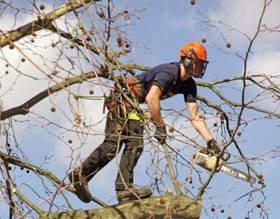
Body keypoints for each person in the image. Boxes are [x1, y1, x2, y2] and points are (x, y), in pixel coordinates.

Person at [68, 41, 221, 203]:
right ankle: (81, 175)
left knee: (135, 143)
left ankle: (123, 189)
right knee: (114, 144)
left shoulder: (189, 85)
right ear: (189, 60)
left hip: (133, 106)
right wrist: (160, 126)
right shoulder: (169, 73)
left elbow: (195, 116)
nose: (201, 68)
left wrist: (211, 141)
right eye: (199, 64)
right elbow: (151, 98)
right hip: (122, 99)